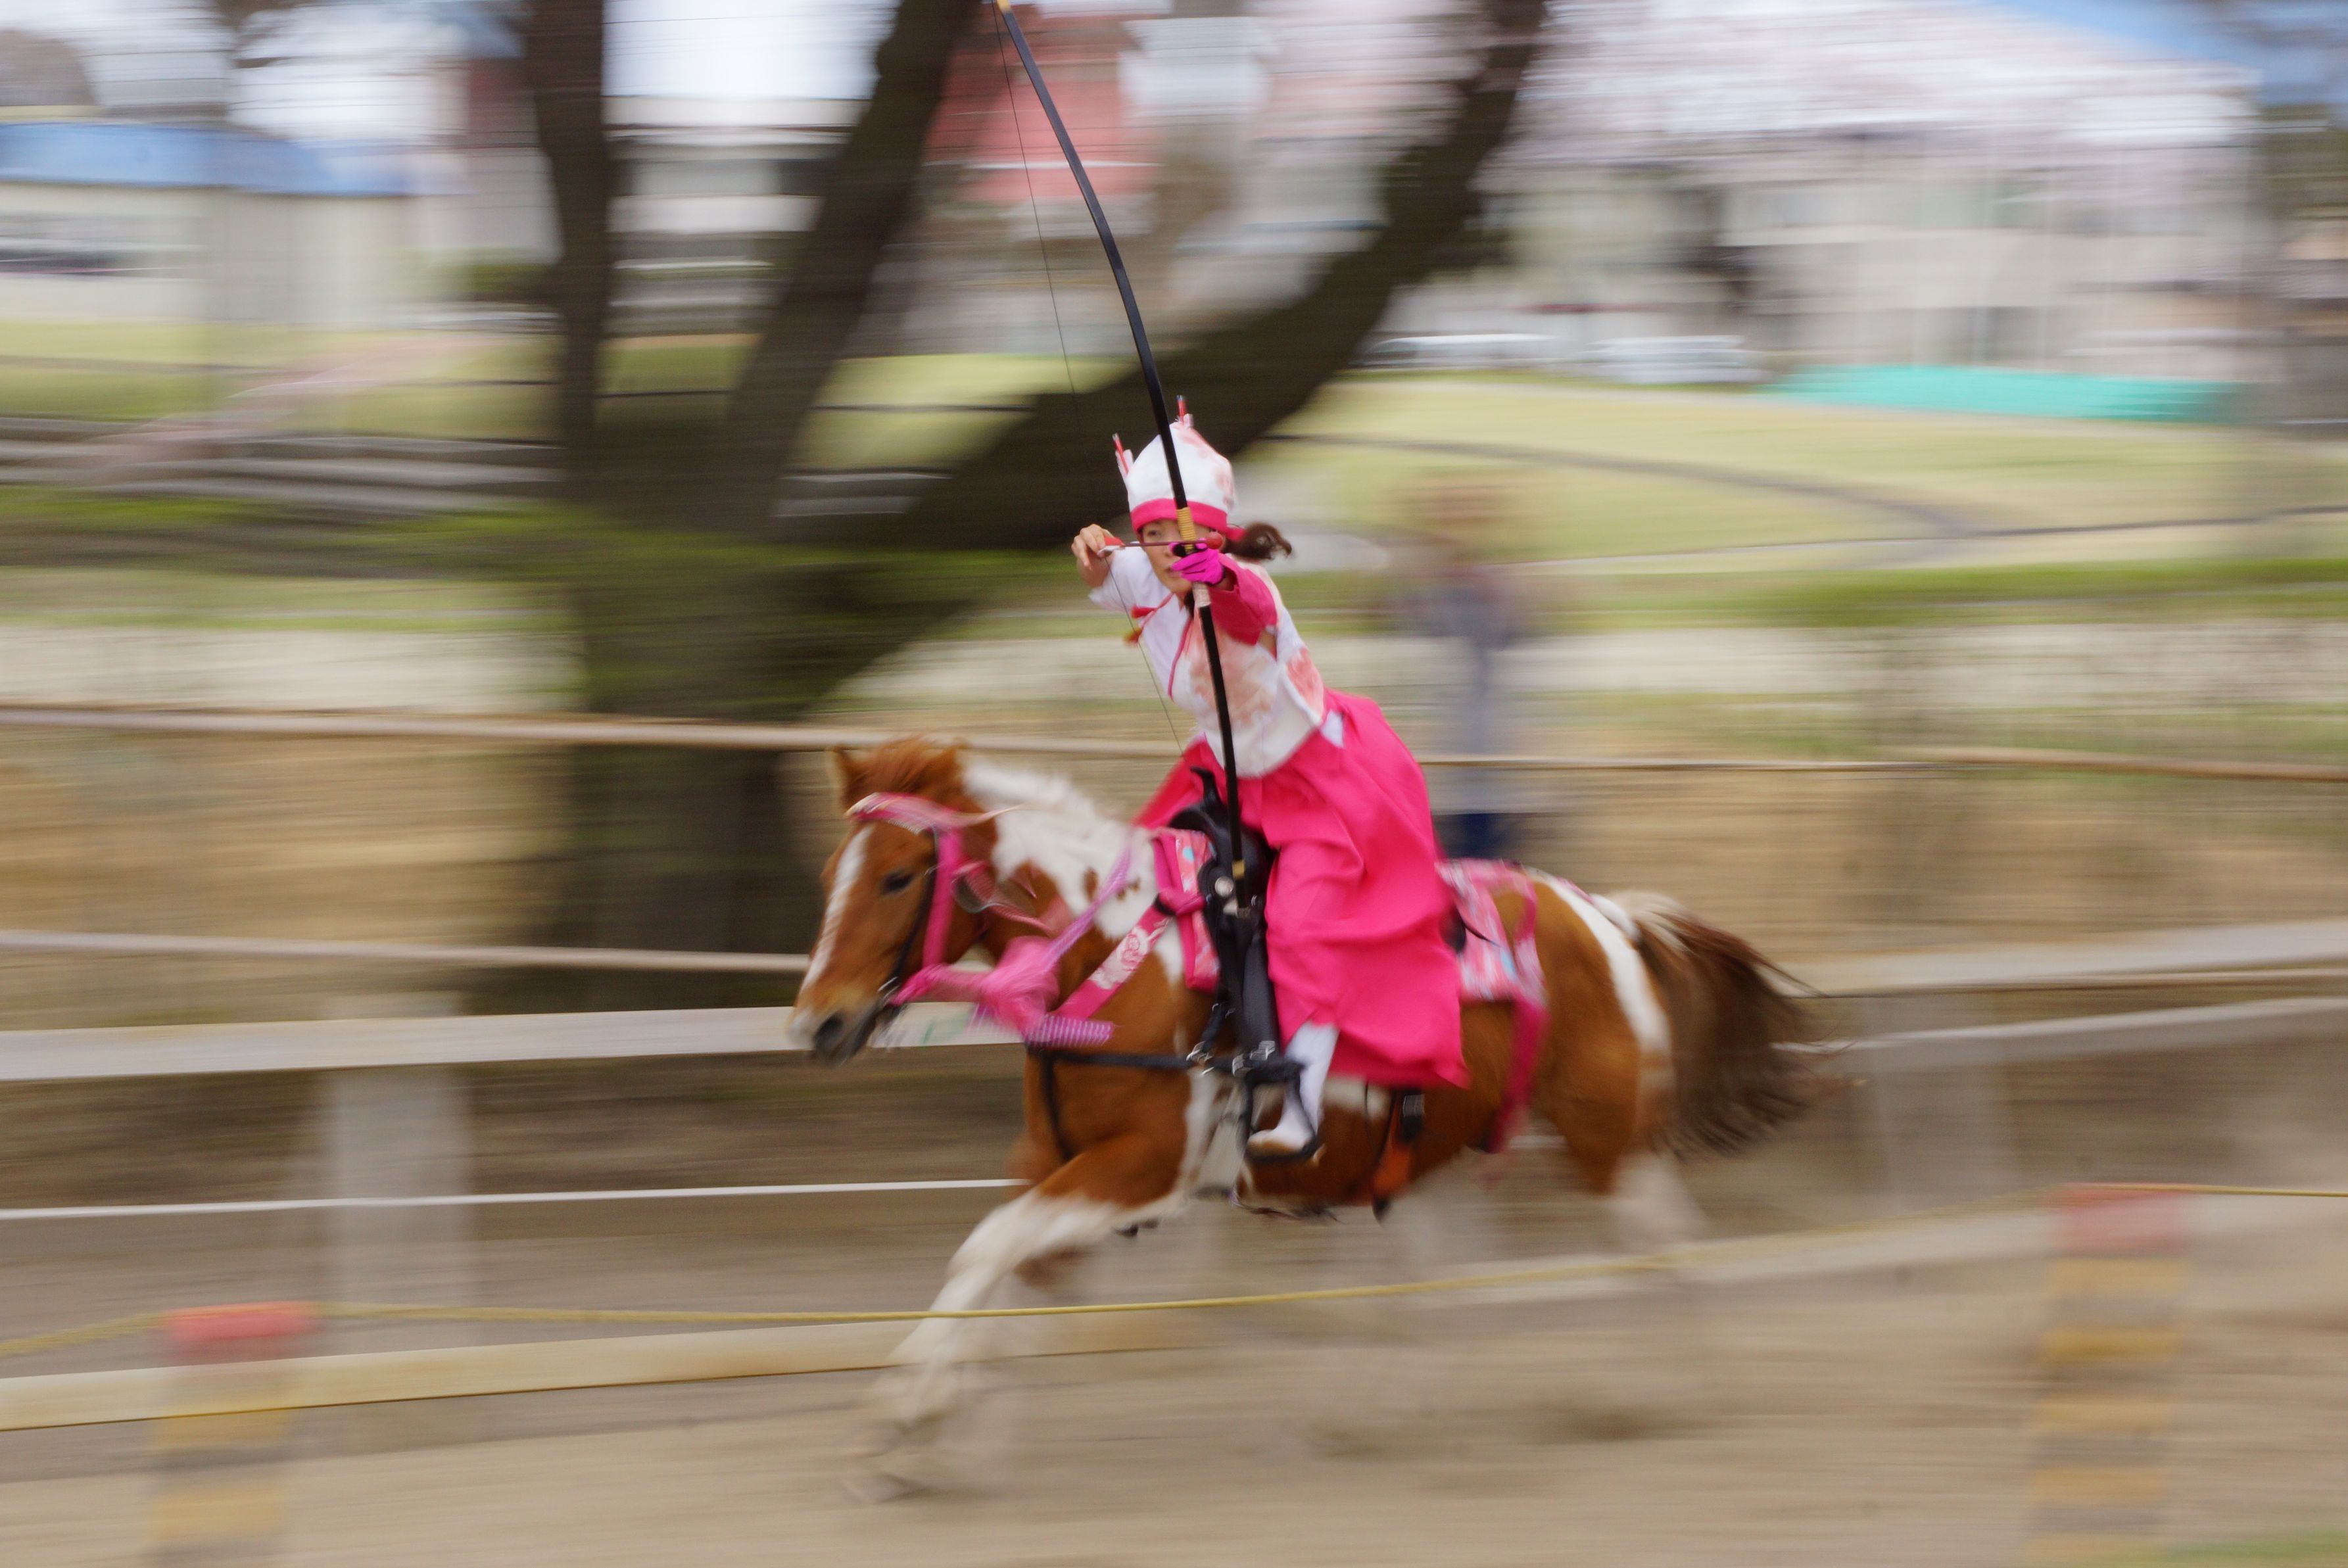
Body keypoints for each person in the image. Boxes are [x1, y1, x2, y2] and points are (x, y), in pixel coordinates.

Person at [1070, 411, 1464, 1156]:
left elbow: (1244, 604)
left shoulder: (1244, 585)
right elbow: (1112, 572)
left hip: (1319, 784)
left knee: (1301, 926)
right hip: (1225, 771)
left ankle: (1303, 1108)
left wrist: (1213, 572)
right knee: (1142, 885)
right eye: (1150, 533)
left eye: (1180, 533)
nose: (1164, 548)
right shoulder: (1146, 569)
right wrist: (1093, 561)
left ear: (1214, 536)